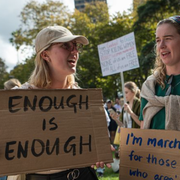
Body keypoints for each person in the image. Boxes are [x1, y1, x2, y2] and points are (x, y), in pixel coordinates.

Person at [9, 25, 110, 180]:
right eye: (65, 46)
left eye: (76, 47)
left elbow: (97, 141)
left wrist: (100, 150)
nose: (75, 51)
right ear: (45, 55)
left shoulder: (86, 101)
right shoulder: (19, 100)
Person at [139, 15, 180, 130]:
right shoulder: (149, 87)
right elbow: (142, 134)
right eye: (158, 40)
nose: (161, 46)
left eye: (168, 38)